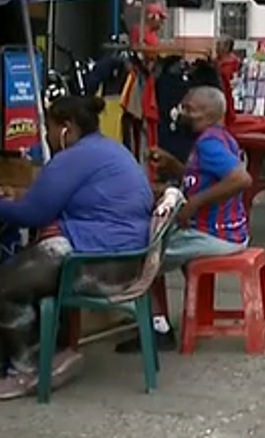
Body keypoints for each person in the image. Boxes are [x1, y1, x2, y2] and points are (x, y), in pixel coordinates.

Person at [0, 96, 153, 399]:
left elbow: (33, 213)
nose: (47, 138)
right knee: (26, 270)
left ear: (66, 128)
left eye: (50, 131)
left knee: (6, 286)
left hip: (99, 263)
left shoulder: (73, 158)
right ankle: (52, 352)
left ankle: (27, 369)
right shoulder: (109, 149)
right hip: (126, 257)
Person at [115, 86, 252, 353]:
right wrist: (173, 165)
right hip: (227, 232)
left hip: (214, 235)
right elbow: (200, 177)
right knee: (155, 242)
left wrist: (193, 205)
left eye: (189, 109)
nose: (181, 113)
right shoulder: (218, 138)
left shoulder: (209, 143)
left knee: (138, 256)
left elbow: (241, 179)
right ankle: (168, 318)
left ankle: (156, 328)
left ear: (206, 113)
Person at [215, 36, 241, 129]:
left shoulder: (232, 62)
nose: (216, 47)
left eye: (219, 45)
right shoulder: (216, 61)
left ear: (226, 47)